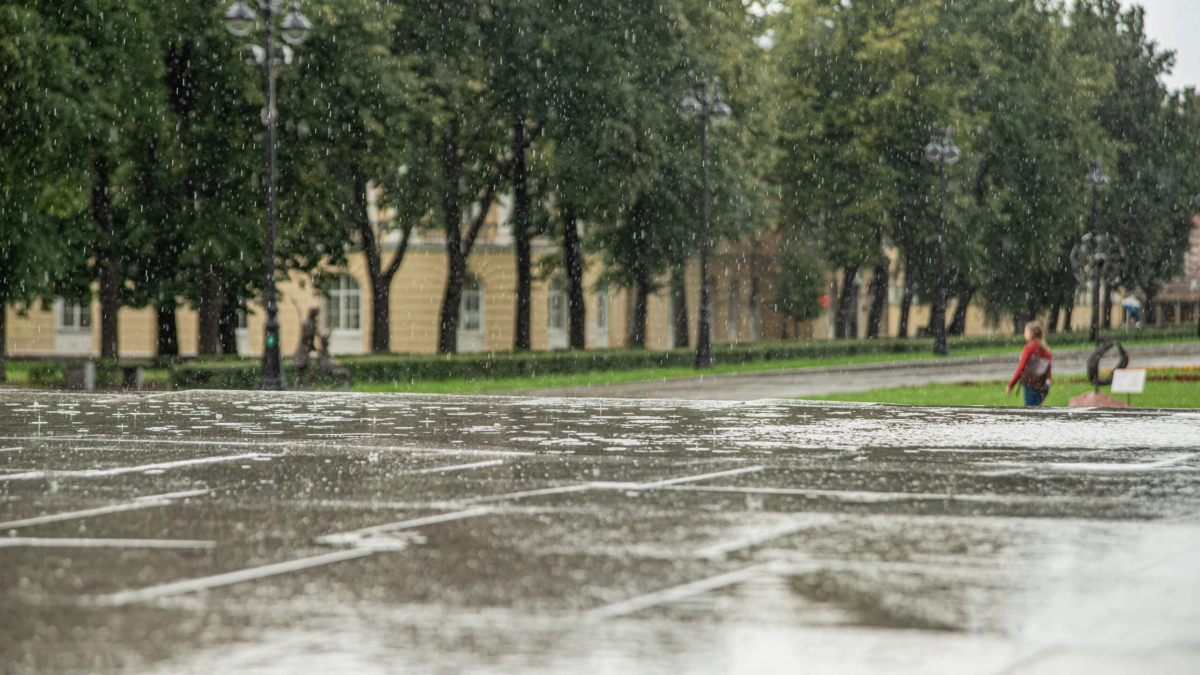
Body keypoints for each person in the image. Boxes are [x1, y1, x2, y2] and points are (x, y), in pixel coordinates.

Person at [1005, 320, 1052, 406]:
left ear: (1032, 333)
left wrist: (1011, 385)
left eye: (1026, 331)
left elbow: (1021, 368)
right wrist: (1047, 387)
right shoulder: (1046, 350)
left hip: (1030, 384)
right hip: (1041, 385)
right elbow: (1048, 372)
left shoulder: (1029, 348)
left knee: (1030, 413)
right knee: (1038, 413)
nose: (1024, 334)